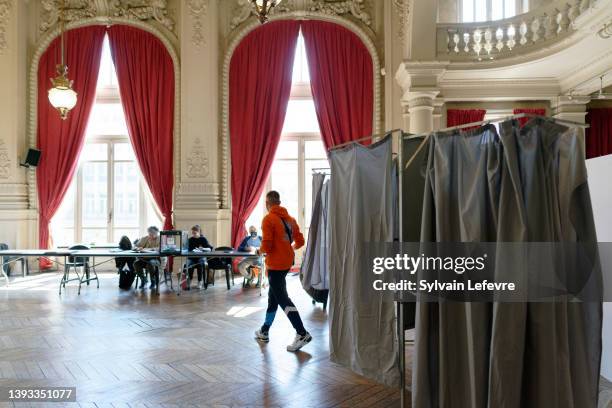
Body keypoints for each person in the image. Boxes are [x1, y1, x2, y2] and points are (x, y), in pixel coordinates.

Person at [254, 191, 312, 352]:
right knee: (274, 297)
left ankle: (302, 333)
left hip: (275, 264)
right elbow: (300, 240)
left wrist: (259, 252)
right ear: (279, 202)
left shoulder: (268, 219)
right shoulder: (290, 219)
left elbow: (267, 245)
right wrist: (288, 249)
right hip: (287, 262)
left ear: (267, 203)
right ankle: (264, 331)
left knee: (282, 299)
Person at [134, 226, 165, 290]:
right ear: (148, 233)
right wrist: (138, 248)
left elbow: (162, 248)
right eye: (150, 234)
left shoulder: (160, 239)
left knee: (150, 263)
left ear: (157, 233)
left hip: (156, 259)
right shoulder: (144, 238)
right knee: (136, 264)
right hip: (144, 259)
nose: (152, 235)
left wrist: (151, 249)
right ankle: (143, 279)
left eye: (154, 233)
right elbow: (134, 246)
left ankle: (153, 281)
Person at [186, 225, 213, 290]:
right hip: (192, 257)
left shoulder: (203, 239)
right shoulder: (190, 240)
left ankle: (200, 281)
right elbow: (187, 249)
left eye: (195, 233)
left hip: (200, 257)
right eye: (192, 233)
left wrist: (203, 248)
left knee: (200, 264)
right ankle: (189, 280)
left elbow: (210, 249)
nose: (193, 234)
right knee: (189, 265)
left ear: (199, 232)